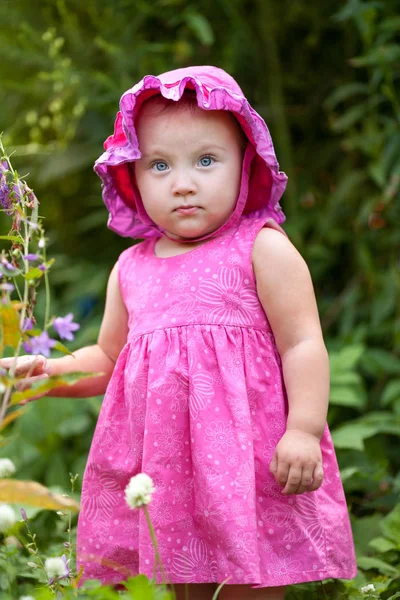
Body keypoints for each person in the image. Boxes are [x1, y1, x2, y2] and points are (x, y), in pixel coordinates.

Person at [2, 66, 357, 599]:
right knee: (173, 581)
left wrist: (303, 430)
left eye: (206, 161)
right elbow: (106, 357)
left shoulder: (261, 248)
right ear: (132, 176)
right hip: (159, 470)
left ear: (245, 165)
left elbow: (302, 343)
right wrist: (46, 372)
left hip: (246, 463)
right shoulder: (131, 268)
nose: (183, 183)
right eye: (159, 165)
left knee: (245, 581)